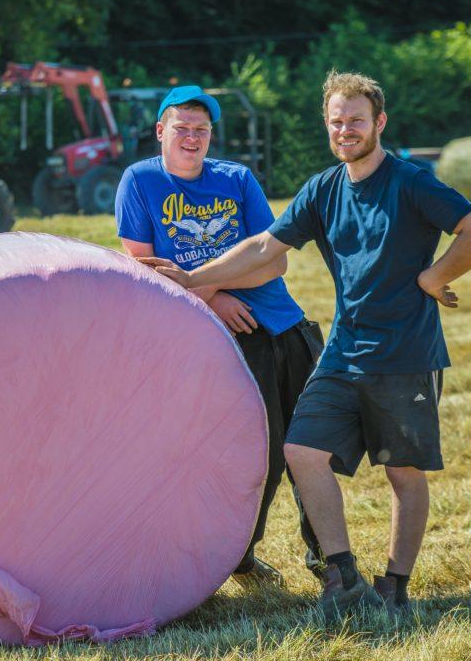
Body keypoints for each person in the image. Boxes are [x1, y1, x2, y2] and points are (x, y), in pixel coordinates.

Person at [139, 72, 471, 617]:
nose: (345, 130)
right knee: (302, 451)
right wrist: (191, 281)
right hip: (343, 350)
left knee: (402, 472)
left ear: (379, 122)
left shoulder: (411, 182)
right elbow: (264, 245)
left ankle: (395, 585)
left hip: (405, 354)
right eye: (336, 121)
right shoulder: (324, 188)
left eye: (356, 120)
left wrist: (434, 276)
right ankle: (342, 576)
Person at [115, 85, 325, 588]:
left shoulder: (237, 179)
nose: (192, 138)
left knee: (315, 446)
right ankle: (236, 556)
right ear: (160, 131)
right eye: (182, 128)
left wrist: (207, 284)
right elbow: (143, 271)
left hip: (284, 323)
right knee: (261, 455)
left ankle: (327, 558)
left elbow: (275, 258)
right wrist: (216, 300)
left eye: (202, 130)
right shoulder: (139, 181)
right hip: (220, 336)